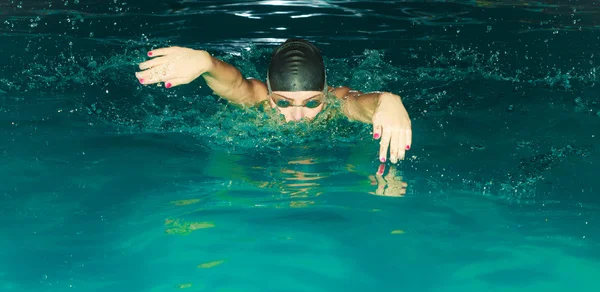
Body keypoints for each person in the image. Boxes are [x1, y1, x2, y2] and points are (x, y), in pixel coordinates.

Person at [135, 38, 412, 164]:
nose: (297, 117)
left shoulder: (335, 100)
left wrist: (386, 101)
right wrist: (207, 63)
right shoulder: (257, 98)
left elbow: (359, 103)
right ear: (268, 94)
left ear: (325, 94)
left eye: (312, 104)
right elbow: (236, 85)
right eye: (282, 103)